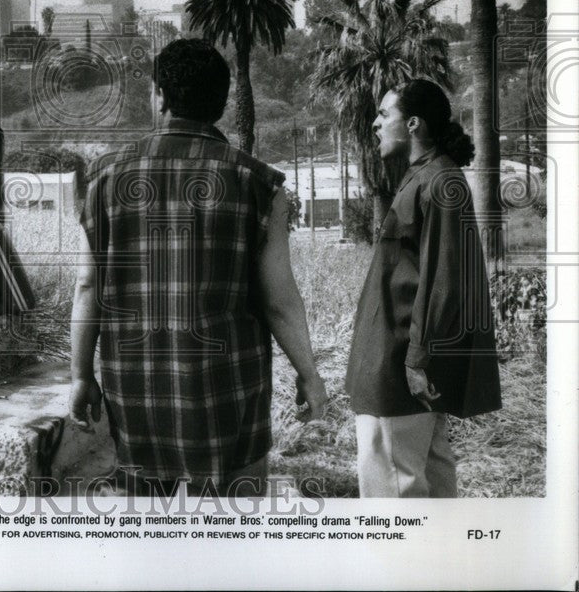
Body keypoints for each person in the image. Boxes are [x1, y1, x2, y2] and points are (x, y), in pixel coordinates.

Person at [69, 39, 328, 497]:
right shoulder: (258, 184)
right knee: (236, 539)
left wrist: (80, 375)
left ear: (161, 96)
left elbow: (88, 286)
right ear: (222, 103)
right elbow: (279, 300)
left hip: (138, 393)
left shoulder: (103, 178)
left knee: (151, 537)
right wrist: (309, 375)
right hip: (230, 393)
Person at [346, 79, 501, 497]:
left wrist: (417, 361)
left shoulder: (438, 181)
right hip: (399, 358)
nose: (376, 124)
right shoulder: (426, 176)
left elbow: (445, 281)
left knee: (393, 486)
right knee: (427, 477)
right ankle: (437, 560)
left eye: (384, 115)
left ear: (413, 124)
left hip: (400, 364)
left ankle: (402, 562)